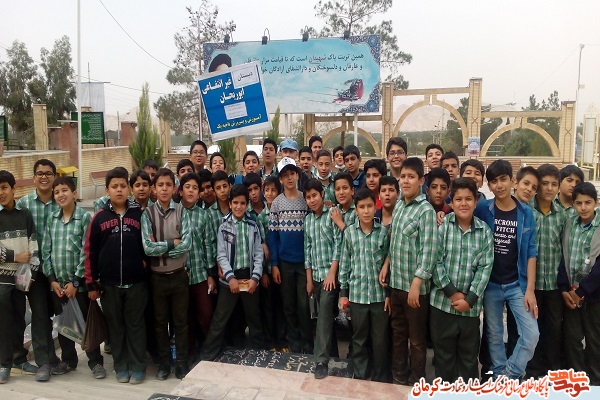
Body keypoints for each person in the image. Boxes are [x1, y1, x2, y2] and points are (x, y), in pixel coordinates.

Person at [474, 159, 539, 380]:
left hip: (516, 285)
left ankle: (510, 374)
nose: (499, 185)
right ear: (489, 185)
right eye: (494, 181)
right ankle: (499, 377)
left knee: (531, 334)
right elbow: (463, 218)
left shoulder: (526, 213)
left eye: (503, 179)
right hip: (491, 284)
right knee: (493, 335)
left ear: (512, 181)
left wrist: (530, 290)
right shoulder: (483, 209)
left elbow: (531, 252)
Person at [84, 168, 147, 384]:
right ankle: (121, 366)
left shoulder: (139, 215)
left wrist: (145, 264)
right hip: (108, 285)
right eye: (114, 187)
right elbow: (90, 252)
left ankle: (138, 366)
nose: (119, 190)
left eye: (122, 186)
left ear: (128, 189)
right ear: (107, 190)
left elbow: (149, 244)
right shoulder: (99, 218)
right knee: (116, 327)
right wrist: (91, 283)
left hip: (136, 283)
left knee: (136, 325)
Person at [380, 157, 438, 386]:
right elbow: (395, 241)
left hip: (415, 290)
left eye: (411, 177)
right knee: (398, 334)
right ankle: (399, 376)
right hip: (396, 284)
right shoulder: (400, 206)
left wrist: (417, 283)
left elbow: (429, 252)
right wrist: (387, 264)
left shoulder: (425, 211)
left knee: (416, 339)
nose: (405, 181)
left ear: (421, 181)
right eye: (403, 176)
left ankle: (416, 380)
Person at [430, 177, 493, 382]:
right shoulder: (443, 227)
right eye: (458, 199)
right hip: (442, 306)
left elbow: (485, 269)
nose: (463, 203)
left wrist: (470, 299)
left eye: (468, 199)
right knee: (443, 358)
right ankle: (444, 392)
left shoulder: (484, 232)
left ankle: (467, 392)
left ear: (476, 201)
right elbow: (435, 261)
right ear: (451, 202)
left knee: (468, 359)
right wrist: (452, 292)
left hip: (470, 310)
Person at [44, 177, 104, 379]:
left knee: (86, 323)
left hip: (78, 285)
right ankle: (69, 360)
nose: (60, 195)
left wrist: (76, 282)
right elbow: (46, 252)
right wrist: (52, 280)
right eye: (56, 192)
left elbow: (86, 253)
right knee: (64, 324)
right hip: (58, 286)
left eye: (64, 190)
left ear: (74, 193)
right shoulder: (51, 219)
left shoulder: (84, 218)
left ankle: (95, 361)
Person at [202, 185, 264, 361]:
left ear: (247, 205)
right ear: (230, 204)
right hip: (229, 279)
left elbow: (258, 254)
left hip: (249, 278)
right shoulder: (224, 226)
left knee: (254, 317)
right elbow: (221, 254)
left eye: (242, 203)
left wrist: (255, 278)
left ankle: (260, 353)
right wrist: (230, 278)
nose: (238, 206)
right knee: (220, 318)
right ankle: (208, 354)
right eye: (235, 203)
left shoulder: (252, 225)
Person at [15, 159, 64, 381]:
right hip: (33, 271)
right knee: (40, 314)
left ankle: (67, 358)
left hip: (59, 270)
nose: (44, 177)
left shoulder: (61, 201)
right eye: (40, 173)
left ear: (54, 177)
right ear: (34, 177)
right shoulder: (24, 204)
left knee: (62, 312)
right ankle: (45, 362)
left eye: (48, 173)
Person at [141, 168, 192, 380]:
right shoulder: (147, 214)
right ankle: (163, 364)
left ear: (174, 188)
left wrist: (160, 248)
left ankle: (181, 363)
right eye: (160, 185)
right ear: (154, 188)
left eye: (168, 185)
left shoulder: (182, 212)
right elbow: (147, 248)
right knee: (160, 323)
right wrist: (172, 243)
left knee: (181, 322)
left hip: (179, 275)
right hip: (157, 278)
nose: (164, 189)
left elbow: (187, 244)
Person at [339, 189, 391, 382]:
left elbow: (388, 263)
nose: (366, 211)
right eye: (362, 207)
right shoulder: (349, 233)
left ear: (375, 206)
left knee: (380, 339)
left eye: (369, 206)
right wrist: (343, 292)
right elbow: (345, 264)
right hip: (357, 295)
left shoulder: (383, 233)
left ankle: (380, 375)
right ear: (356, 209)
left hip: (379, 296)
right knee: (359, 337)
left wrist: (389, 294)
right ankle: (361, 373)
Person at [525, 164, 567, 378]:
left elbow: (564, 249)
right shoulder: (526, 211)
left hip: (553, 284)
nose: (549, 188)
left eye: (554, 184)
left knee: (553, 328)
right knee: (532, 329)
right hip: (530, 285)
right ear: (537, 186)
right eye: (545, 184)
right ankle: (533, 370)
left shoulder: (562, 216)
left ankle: (552, 370)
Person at [557, 182, 600, 385]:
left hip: (593, 295)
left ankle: (596, 380)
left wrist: (582, 291)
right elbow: (563, 257)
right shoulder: (569, 224)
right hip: (571, 294)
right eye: (579, 203)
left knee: (594, 339)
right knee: (572, 338)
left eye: (588, 203)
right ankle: (578, 378)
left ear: (596, 203)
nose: (583, 207)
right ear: (573, 204)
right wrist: (565, 289)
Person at [268, 157, 311, 354]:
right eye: (285, 175)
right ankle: (293, 342)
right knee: (288, 305)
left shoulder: (305, 200)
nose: (289, 178)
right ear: (280, 179)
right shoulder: (277, 204)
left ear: (298, 175)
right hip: (285, 263)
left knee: (303, 305)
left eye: (292, 173)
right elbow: (273, 236)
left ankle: (307, 342)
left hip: (304, 263)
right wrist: (274, 264)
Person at [0, 170, 40, 384]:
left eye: (4, 187)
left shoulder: (24, 214)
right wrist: (15, 256)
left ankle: (19, 360)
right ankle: (4, 364)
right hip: (1, 280)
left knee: (19, 320)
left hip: (21, 279)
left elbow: (33, 245)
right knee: (4, 323)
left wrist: (31, 275)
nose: (1, 192)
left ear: (13, 189)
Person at [304, 178, 342, 379]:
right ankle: (333, 353)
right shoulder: (308, 220)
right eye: (308, 197)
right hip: (316, 277)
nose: (312, 200)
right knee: (324, 316)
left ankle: (321, 361)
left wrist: (332, 273)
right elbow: (307, 250)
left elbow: (338, 245)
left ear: (322, 194)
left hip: (330, 277)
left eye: (315, 195)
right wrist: (309, 279)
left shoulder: (332, 215)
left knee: (324, 315)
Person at [178, 172, 215, 363]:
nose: (191, 191)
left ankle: (208, 350)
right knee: (186, 318)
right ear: (180, 191)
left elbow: (208, 245)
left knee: (206, 314)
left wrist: (211, 274)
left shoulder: (204, 215)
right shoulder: (174, 213)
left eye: (195, 188)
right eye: (187, 187)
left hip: (200, 274)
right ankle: (189, 354)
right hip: (179, 276)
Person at [258, 176, 286, 350]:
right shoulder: (261, 217)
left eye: (273, 190)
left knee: (281, 305)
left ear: (279, 192)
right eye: (267, 190)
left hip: (282, 265)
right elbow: (259, 248)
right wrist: (263, 272)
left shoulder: (283, 212)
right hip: (267, 269)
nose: (270, 193)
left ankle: (282, 340)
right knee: (267, 307)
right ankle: (269, 342)